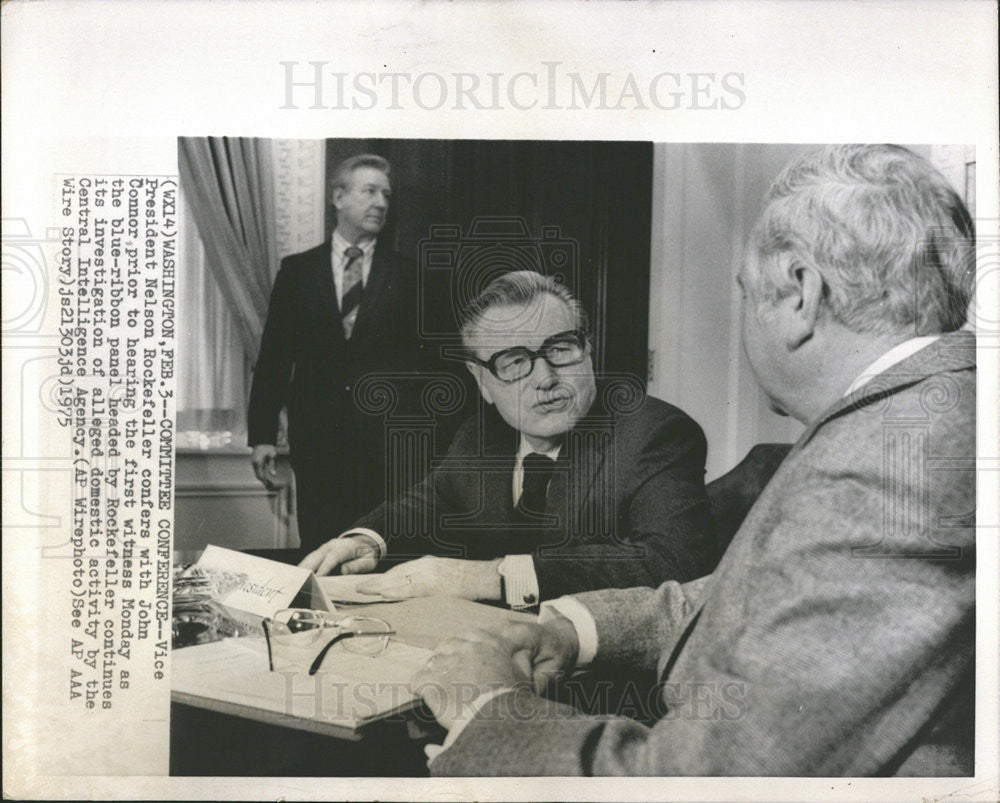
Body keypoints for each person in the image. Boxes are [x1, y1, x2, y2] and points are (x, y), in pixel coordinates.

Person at [411, 144, 977, 776]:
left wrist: (486, 710)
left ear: (800, 292)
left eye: (744, 293)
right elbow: (753, 600)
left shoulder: (885, 469)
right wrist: (572, 628)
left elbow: (702, 780)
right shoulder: (920, 421)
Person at [300, 270, 717, 608]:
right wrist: (368, 539)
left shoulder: (655, 433)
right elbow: (430, 501)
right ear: (483, 382)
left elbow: (673, 564)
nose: (545, 378)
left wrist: (486, 577)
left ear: (588, 349)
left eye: (560, 349)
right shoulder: (483, 433)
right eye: (515, 362)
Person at [248, 154, 425, 552]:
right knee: (320, 552)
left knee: (376, 558)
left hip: (384, 453)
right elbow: (275, 357)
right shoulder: (296, 272)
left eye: (386, 194)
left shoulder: (408, 276)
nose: (381, 202)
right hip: (317, 446)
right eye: (369, 191)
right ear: (339, 197)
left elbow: (424, 368)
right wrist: (261, 436)